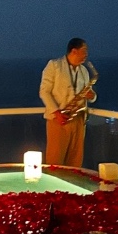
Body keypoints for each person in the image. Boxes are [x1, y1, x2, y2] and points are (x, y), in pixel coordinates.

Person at [38, 37, 97, 167]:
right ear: (74, 51)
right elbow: (44, 91)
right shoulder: (54, 65)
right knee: (55, 161)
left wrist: (92, 96)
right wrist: (56, 112)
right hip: (59, 120)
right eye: (84, 50)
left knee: (75, 161)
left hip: (78, 120)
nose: (86, 54)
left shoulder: (84, 71)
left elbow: (90, 93)